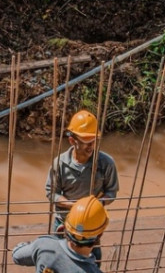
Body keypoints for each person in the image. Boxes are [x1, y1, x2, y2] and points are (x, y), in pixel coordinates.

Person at [46, 110, 119, 265]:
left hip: (92, 226)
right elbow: (52, 193)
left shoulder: (106, 163)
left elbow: (111, 192)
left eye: (94, 140)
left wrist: (92, 207)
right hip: (64, 222)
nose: (91, 146)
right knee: (59, 264)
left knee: (93, 264)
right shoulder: (60, 163)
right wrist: (74, 206)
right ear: (72, 141)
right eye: (86, 141)